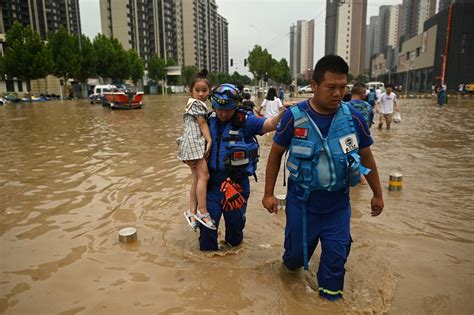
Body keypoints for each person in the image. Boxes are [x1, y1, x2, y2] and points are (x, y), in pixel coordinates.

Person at [262, 54, 384, 301]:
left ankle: (330, 302)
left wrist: (377, 194)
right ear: (315, 86)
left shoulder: (354, 119)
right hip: (301, 205)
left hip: (337, 208)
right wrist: (268, 193)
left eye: (343, 87)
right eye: (331, 87)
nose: (338, 93)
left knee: (335, 264)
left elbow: (367, 157)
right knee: (293, 261)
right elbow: (275, 155)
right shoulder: (293, 118)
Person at [200, 83, 285, 251]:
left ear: (236, 106)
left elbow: (270, 124)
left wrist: (283, 113)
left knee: (235, 231)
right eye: (219, 110)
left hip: (236, 186)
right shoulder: (206, 121)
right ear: (213, 106)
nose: (223, 114)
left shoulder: (245, 122)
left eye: (228, 110)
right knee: (207, 228)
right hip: (212, 186)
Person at [177, 70, 216, 231]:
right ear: (191, 91)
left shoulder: (189, 103)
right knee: (204, 176)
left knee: (196, 179)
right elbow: (202, 124)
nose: (200, 94)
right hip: (193, 144)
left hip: (186, 145)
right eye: (197, 90)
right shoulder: (199, 105)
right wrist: (210, 140)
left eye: (204, 91)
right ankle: (203, 212)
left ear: (209, 91)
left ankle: (191, 212)